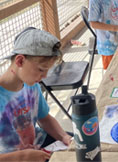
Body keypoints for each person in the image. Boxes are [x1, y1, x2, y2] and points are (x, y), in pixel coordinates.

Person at [0, 27, 72, 162]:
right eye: (41, 70)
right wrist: (21, 157)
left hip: (38, 146)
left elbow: (44, 118)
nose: (44, 76)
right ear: (20, 61)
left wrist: (63, 136)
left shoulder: (31, 85)